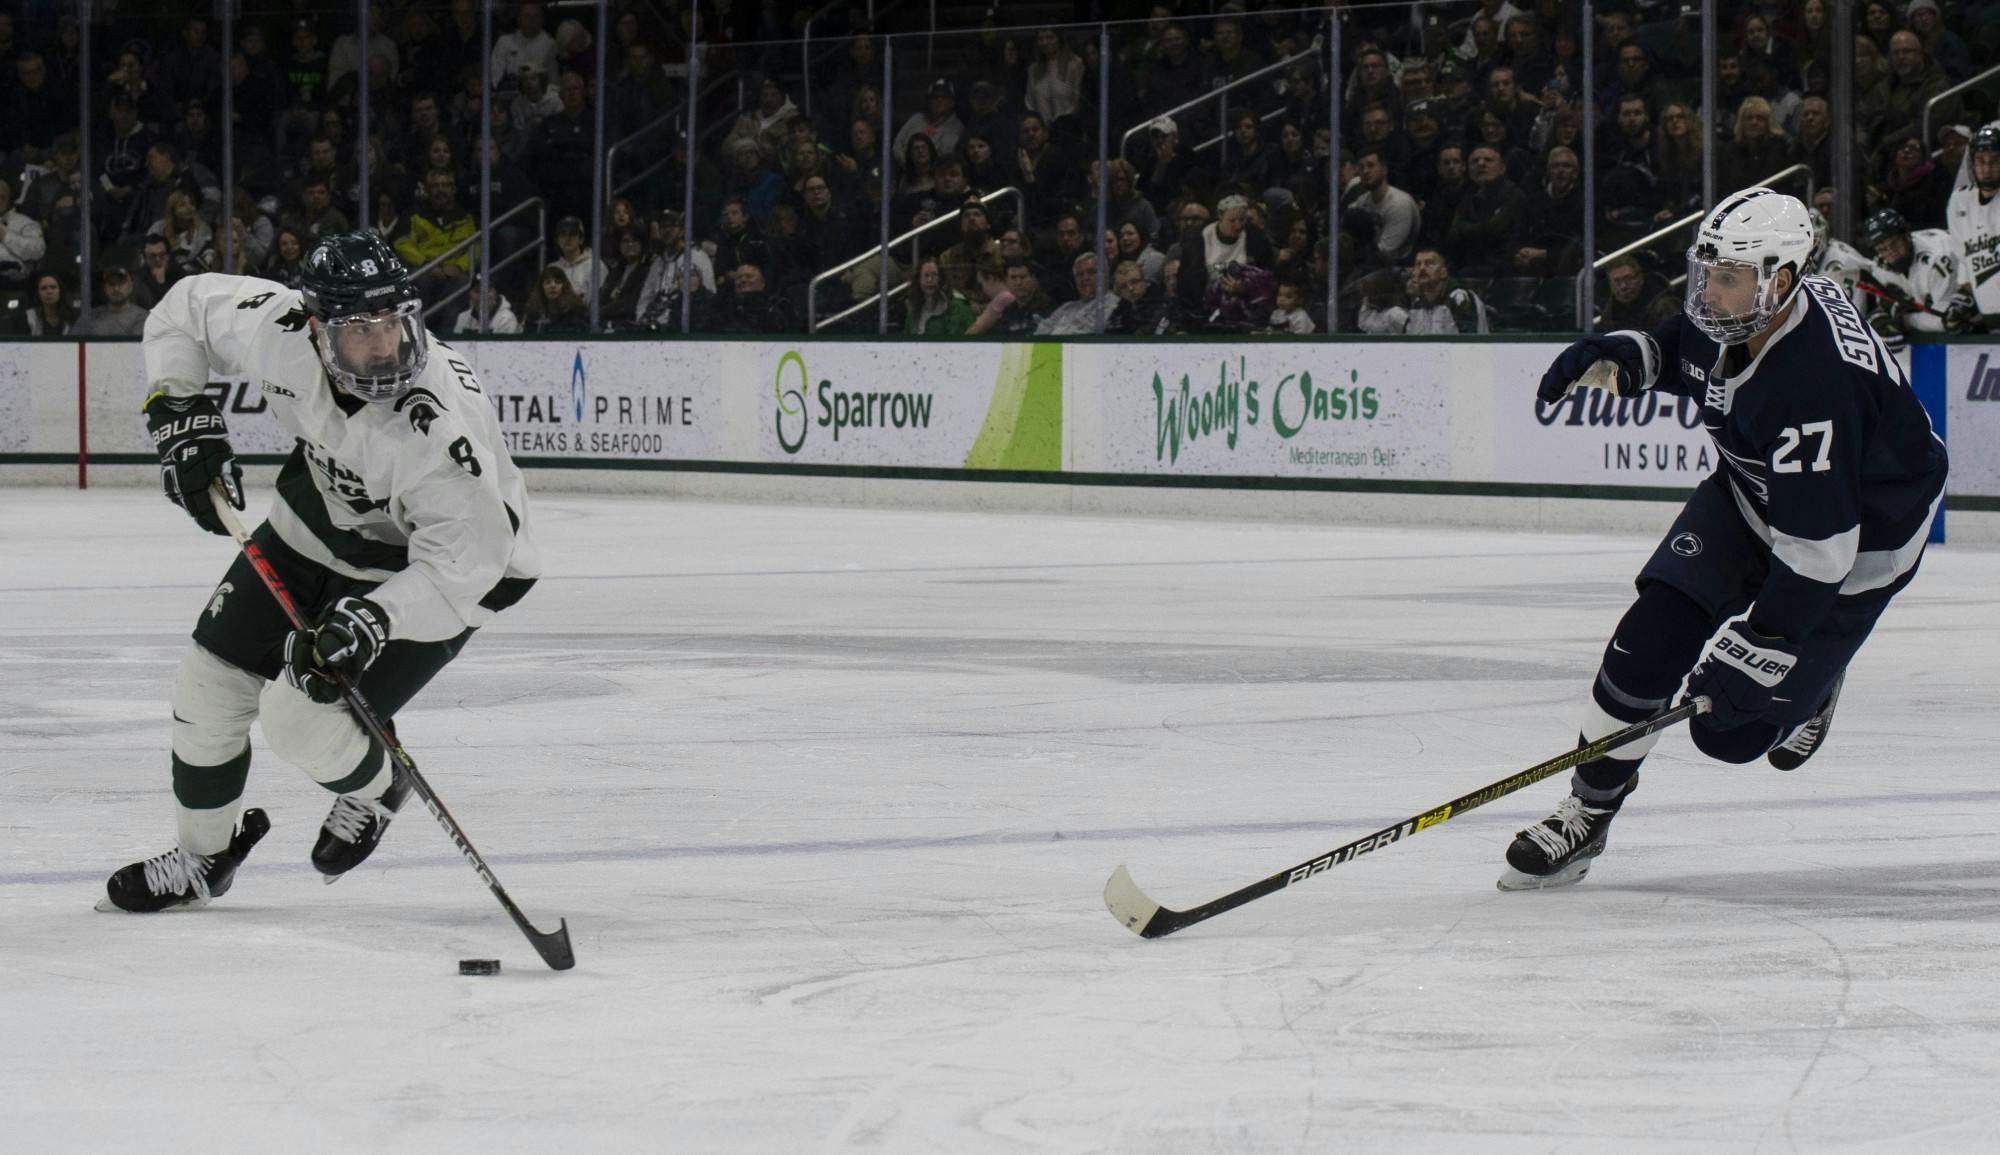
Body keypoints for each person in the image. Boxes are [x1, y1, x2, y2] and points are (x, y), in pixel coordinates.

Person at [1503, 187, 1947, 891]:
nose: (1708, 288)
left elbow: (1818, 554)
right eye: (1705, 270)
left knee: (1730, 731)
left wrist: (1762, 647)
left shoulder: (1813, 386)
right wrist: (1634, 350)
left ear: (1780, 280)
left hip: (1858, 546)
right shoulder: (1754, 305)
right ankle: (1587, 812)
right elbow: (1686, 343)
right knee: (1648, 640)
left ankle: (1817, 683)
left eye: (1726, 276)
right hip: (1752, 495)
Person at [99, 232, 540, 912]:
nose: (385, 344)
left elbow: (466, 559)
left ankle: (378, 782)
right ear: (315, 327)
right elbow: (183, 309)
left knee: (298, 720)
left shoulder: (439, 425)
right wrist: (179, 411)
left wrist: (376, 616)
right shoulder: (278, 329)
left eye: (392, 320)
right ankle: (203, 857)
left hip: (442, 569)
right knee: (208, 685)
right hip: (318, 524)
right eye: (360, 328)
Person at [1860, 207, 1962, 338]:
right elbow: (1888, 310)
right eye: (1882, 249)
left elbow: (1948, 321)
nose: (1891, 252)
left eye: (1894, 243)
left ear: (1907, 235)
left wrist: (1904, 321)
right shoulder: (1880, 267)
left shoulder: (1937, 259)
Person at [1946, 122, 2000, 326]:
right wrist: (1964, 298)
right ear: (1972, 164)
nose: (1987, 168)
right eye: (1981, 161)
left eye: (1995, 161)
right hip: (1989, 316)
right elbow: (1964, 258)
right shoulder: (1959, 202)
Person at [76, 265, 150, 335]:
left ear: (130, 287)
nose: (116, 288)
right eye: (111, 284)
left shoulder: (142, 317)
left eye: (120, 283)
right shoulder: (90, 317)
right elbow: (71, 345)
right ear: (105, 288)